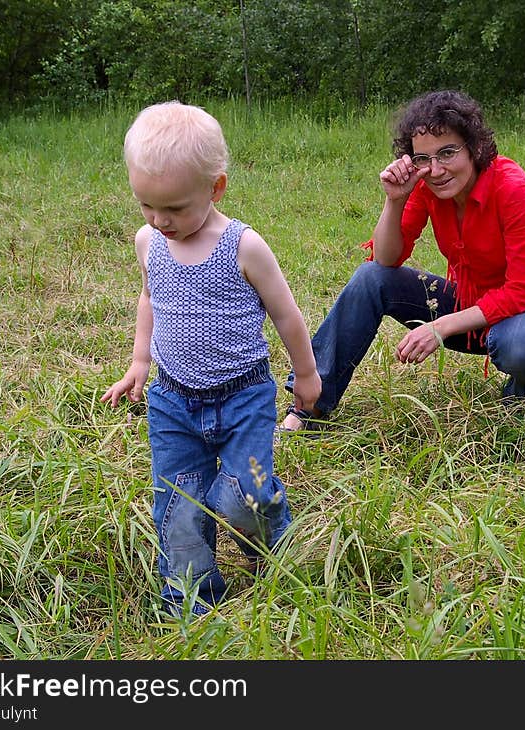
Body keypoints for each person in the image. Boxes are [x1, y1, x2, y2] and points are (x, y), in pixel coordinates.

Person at [102, 101, 321, 616]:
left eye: (175, 208)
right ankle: (189, 599)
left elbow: (286, 315)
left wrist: (307, 375)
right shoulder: (149, 242)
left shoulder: (243, 247)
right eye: (146, 206)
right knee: (178, 504)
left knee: (243, 493)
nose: (160, 220)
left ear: (215, 188)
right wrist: (140, 360)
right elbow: (150, 297)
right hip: (173, 401)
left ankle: (272, 540)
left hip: (243, 396)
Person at [280, 89, 525, 432]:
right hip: (472, 304)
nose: (435, 170)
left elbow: (523, 292)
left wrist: (439, 327)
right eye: (423, 159)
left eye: (447, 153)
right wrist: (395, 201)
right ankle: (311, 403)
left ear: (474, 148)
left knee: (519, 345)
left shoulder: (513, 189)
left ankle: (523, 387)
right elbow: (387, 260)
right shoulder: (427, 187)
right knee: (370, 278)